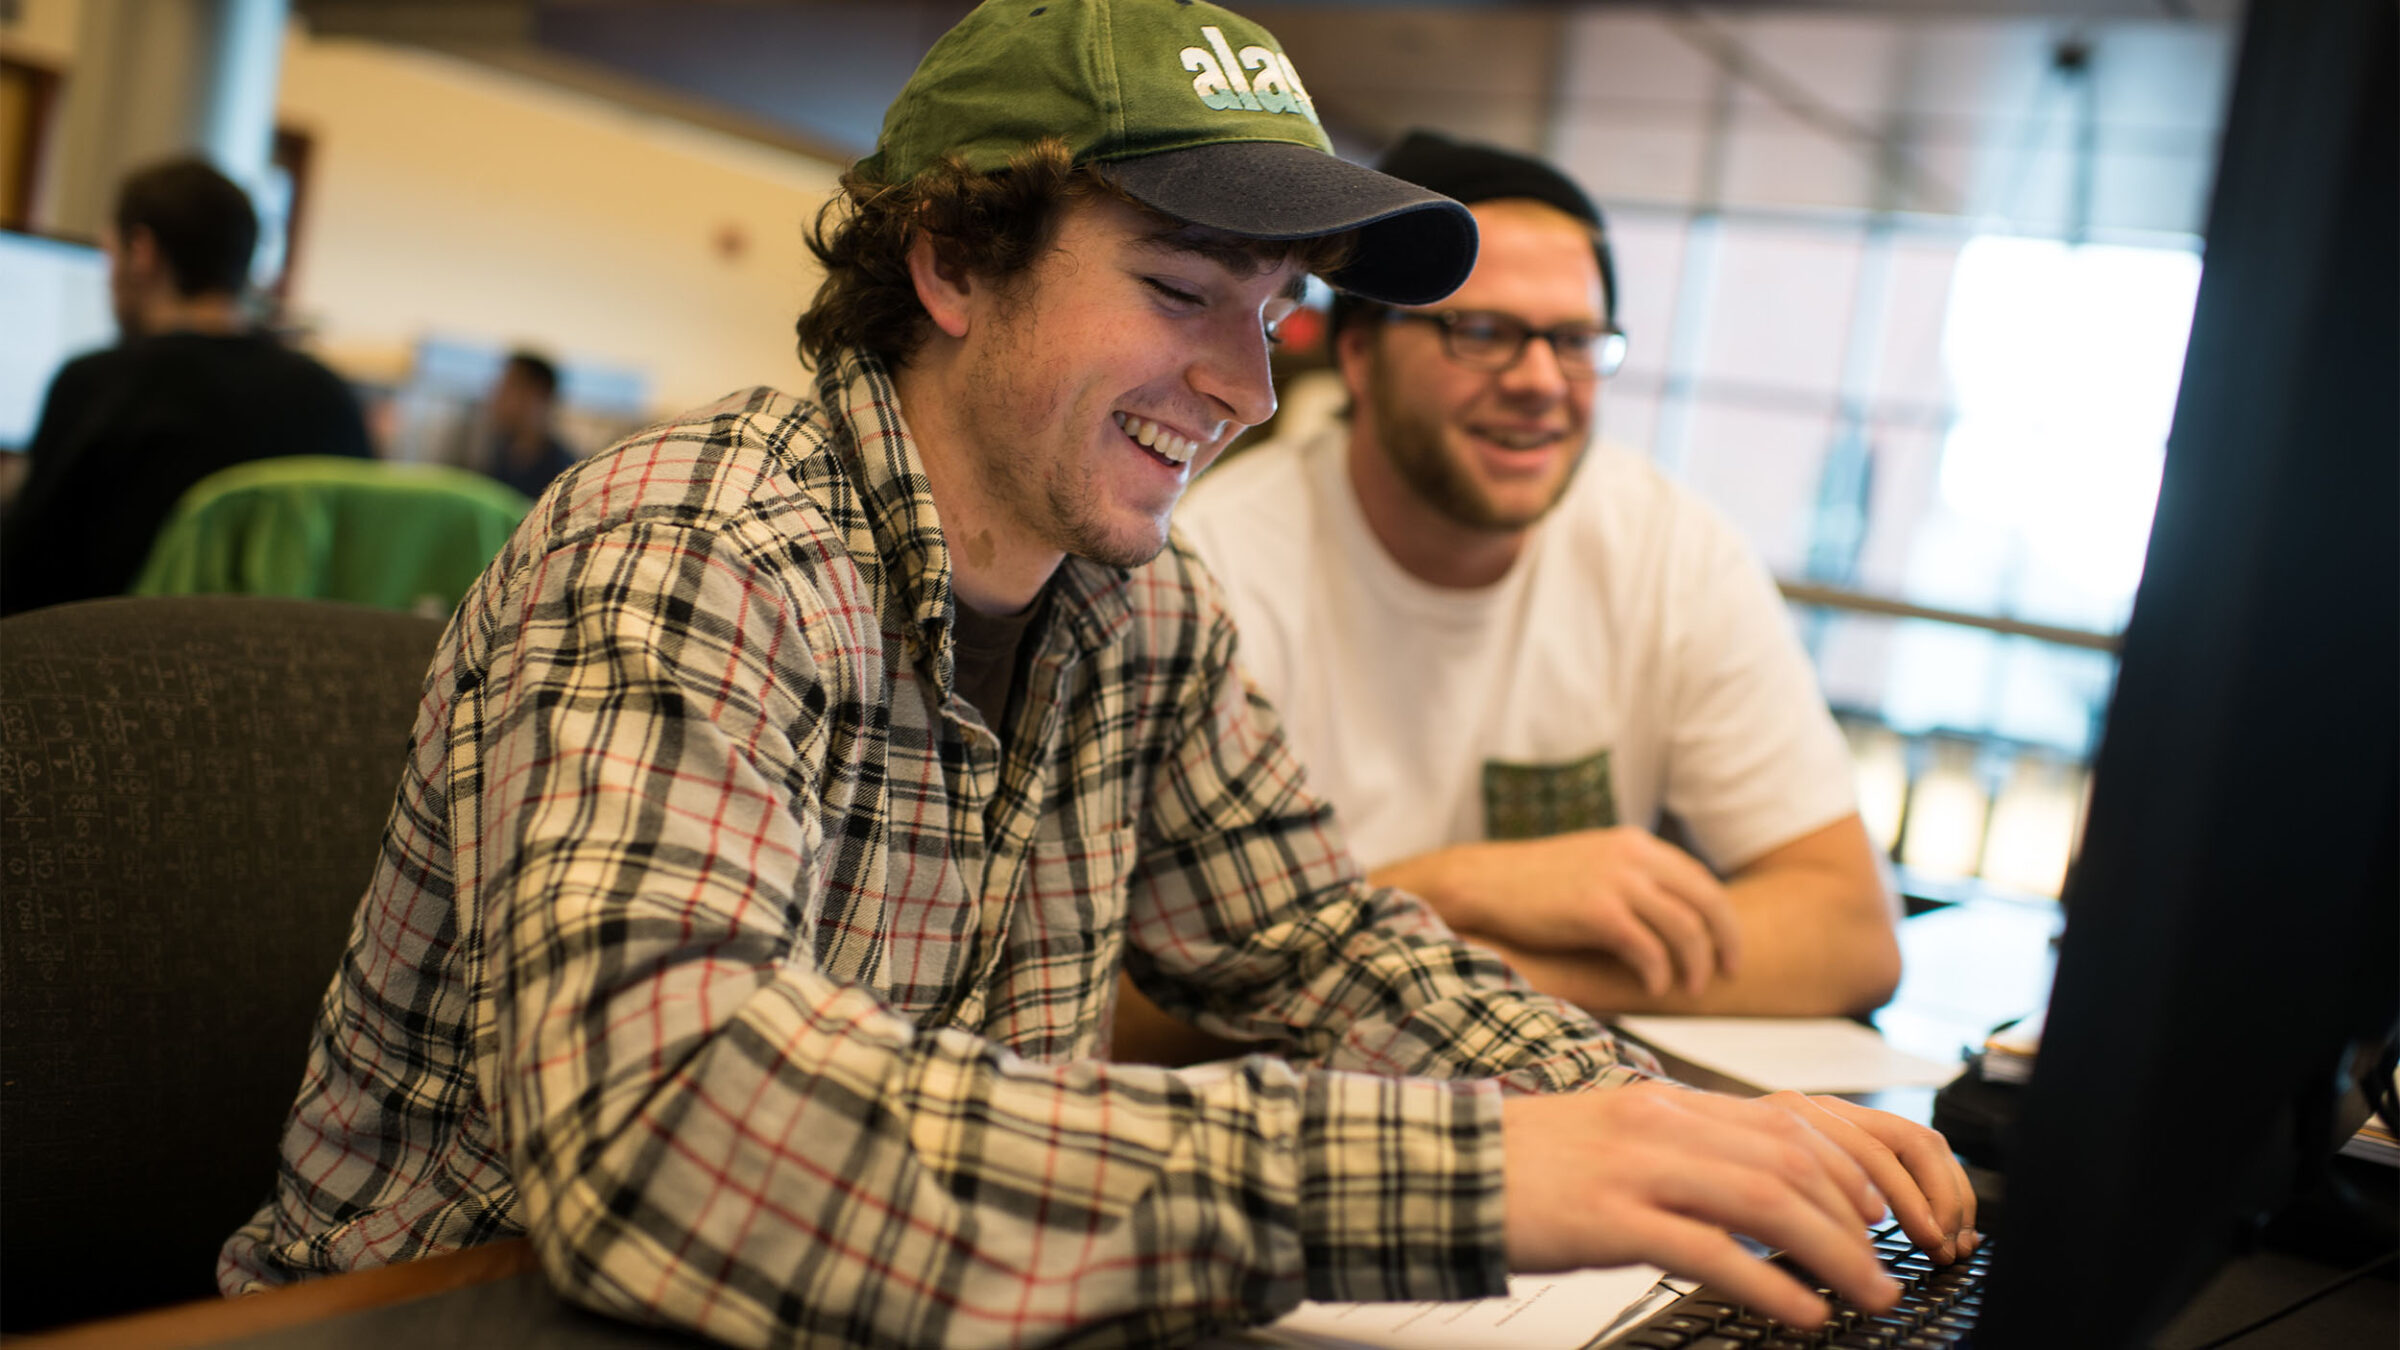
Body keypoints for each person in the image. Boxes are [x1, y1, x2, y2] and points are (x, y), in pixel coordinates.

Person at [219, 6, 1972, 1346]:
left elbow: (1322, 948)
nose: (1249, 385)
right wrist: (1472, 1179)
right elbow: (668, 1129)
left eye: (1274, 307)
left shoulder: (1135, 608)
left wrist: (1665, 1128)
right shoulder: (692, 550)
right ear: (953, 262)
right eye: (1181, 287)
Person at [1160, 131, 1899, 1033]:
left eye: (1578, 340)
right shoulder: (1208, 572)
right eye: (1483, 333)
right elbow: (1132, 1001)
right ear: (1360, 356)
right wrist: (1461, 888)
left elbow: (1850, 931)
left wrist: (1482, 962)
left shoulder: (1668, 550)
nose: (1543, 382)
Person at [0, 157, 372, 616]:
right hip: (293, 675)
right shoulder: (328, 394)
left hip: (116, 673)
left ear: (142, 252)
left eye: (110, 254)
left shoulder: (96, 384)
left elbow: (24, 581)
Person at [484, 349, 577, 500]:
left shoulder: (564, 473)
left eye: (507, 386)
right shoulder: (499, 456)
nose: (496, 396)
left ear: (537, 395)